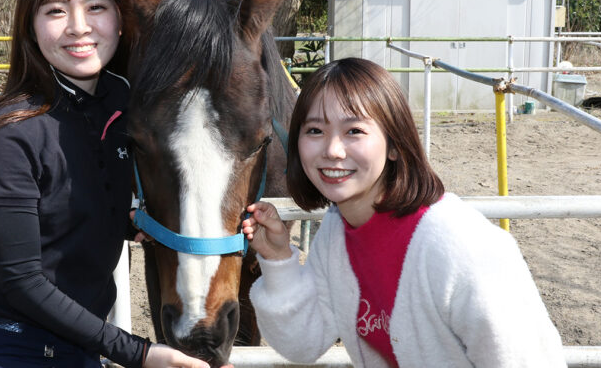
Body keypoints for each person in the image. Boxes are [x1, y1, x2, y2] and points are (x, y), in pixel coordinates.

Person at [0, 0, 208, 367]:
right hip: (10, 349)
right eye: (55, 10)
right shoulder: (7, 135)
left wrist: (136, 224)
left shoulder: (122, 104)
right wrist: (138, 354)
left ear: (121, 18)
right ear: (30, 28)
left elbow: (86, 201)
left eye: (96, 7)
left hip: (82, 343)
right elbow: (21, 281)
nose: (79, 26)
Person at [241, 58, 566, 367]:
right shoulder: (336, 235)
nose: (332, 150)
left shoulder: (463, 247)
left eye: (354, 131)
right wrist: (279, 261)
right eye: (315, 131)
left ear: (395, 144)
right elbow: (303, 344)